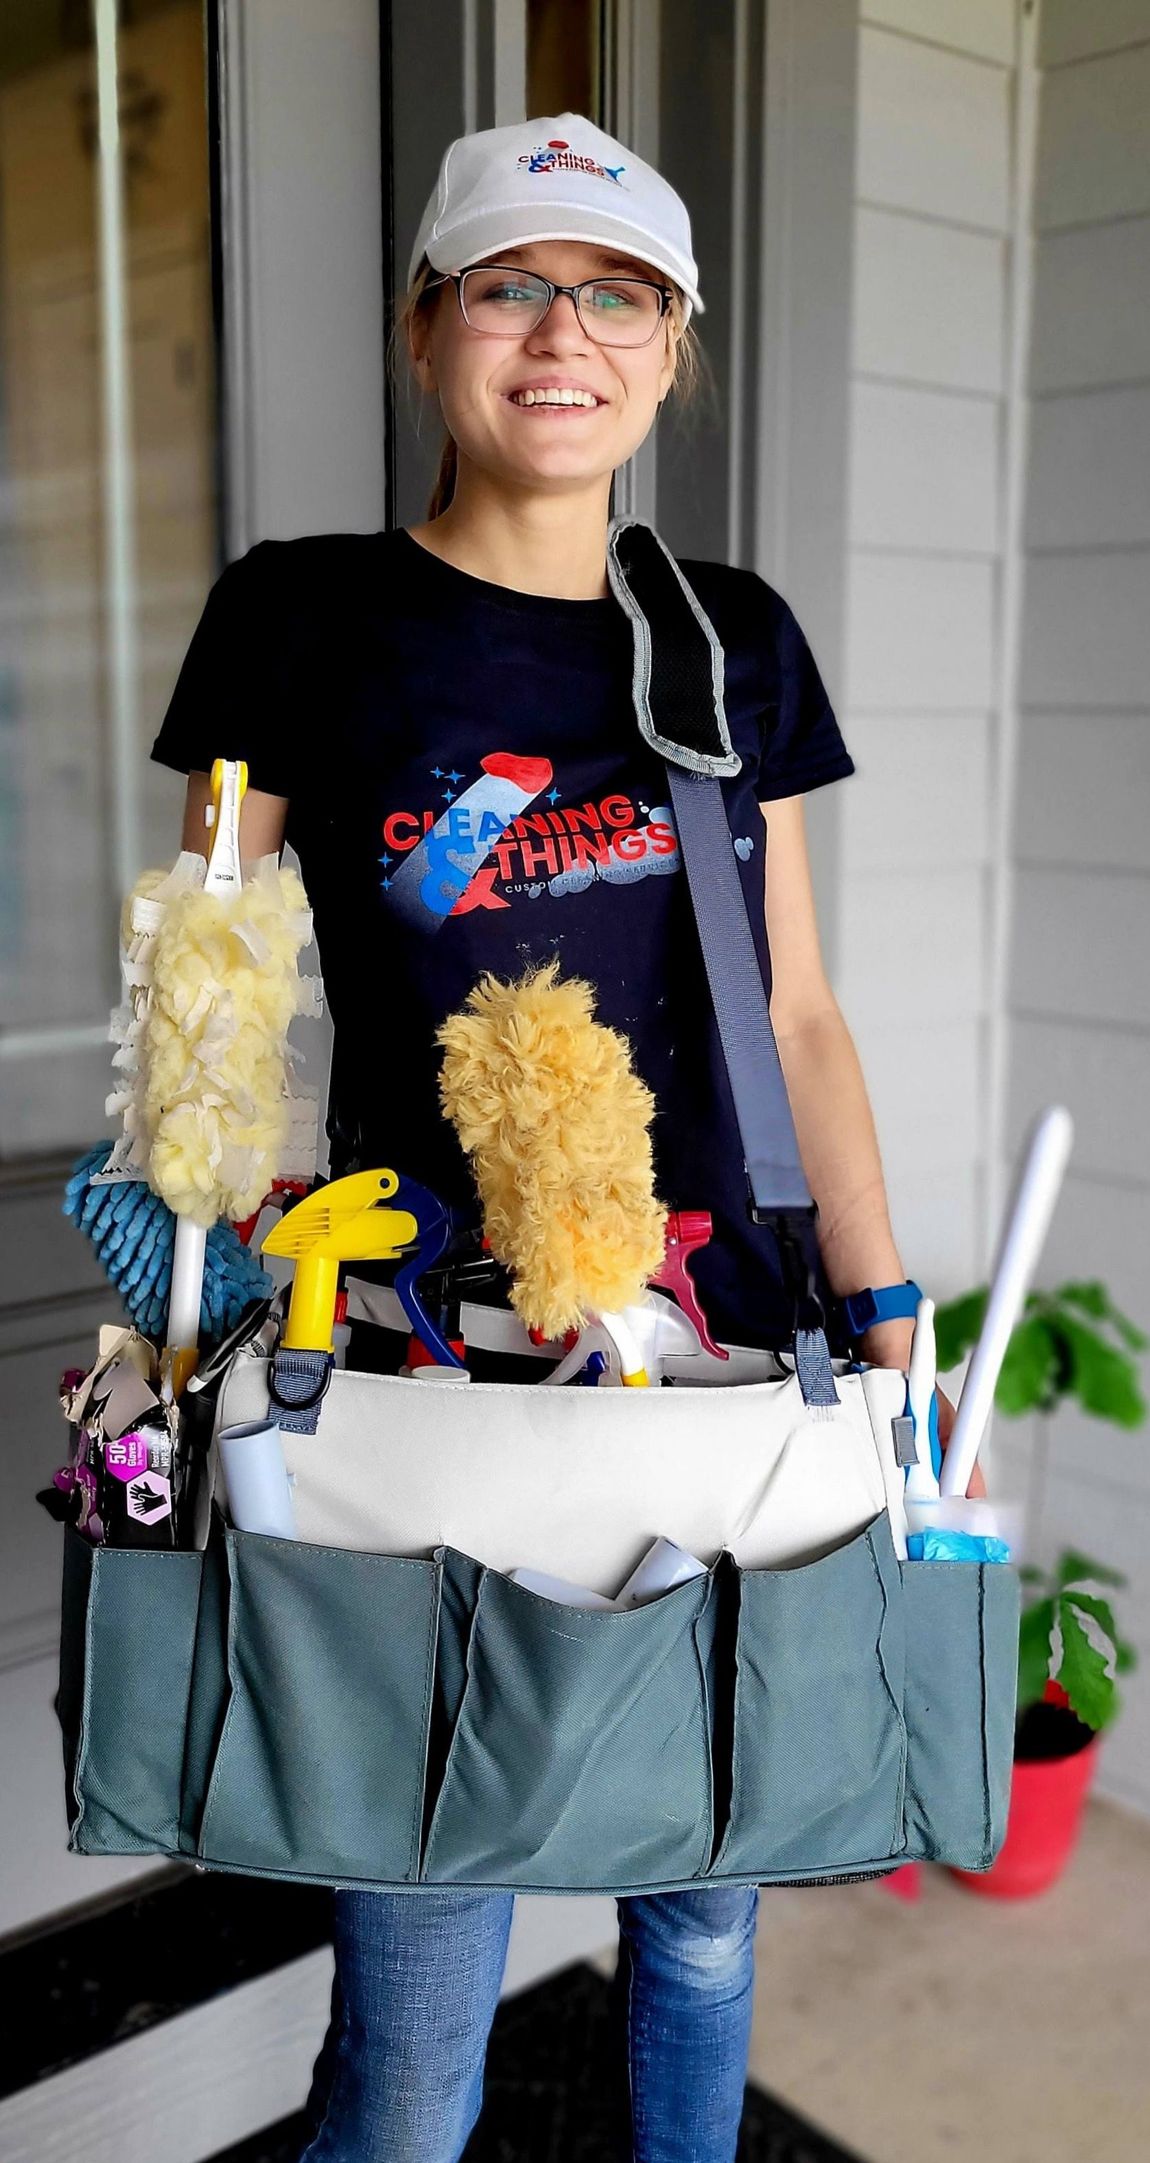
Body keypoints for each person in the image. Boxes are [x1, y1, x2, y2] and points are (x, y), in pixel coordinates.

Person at [151, 110, 984, 2163]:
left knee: (698, 1928)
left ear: (670, 346)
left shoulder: (723, 638)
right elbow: (209, 981)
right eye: (509, 281)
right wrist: (188, 1277)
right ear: (422, 324)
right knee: (421, 1998)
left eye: (612, 293)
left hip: (715, 1354)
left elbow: (794, 1005)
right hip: (421, 1358)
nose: (559, 332)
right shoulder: (295, 618)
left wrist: (886, 1319)